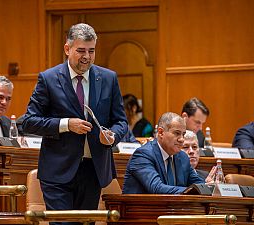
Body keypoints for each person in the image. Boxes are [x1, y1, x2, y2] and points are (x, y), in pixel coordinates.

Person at [22, 23, 127, 223]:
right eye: (80, 51)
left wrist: (113, 136)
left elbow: (121, 121)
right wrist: (66, 124)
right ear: (67, 49)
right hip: (57, 170)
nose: (86, 56)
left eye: (91, 50)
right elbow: (29, 121)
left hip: (93, 169)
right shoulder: (49, 78)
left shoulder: (108, 78)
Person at [122, 112, 204, 194]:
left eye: (183, 134)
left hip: (173, 206)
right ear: (161, 132)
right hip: (142, 206)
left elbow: (197, 183)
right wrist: (190, 191)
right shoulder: (143, 155)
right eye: (177, 133)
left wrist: (209, 187)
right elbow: (156, 188)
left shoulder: (182, 157)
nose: (182, 139)